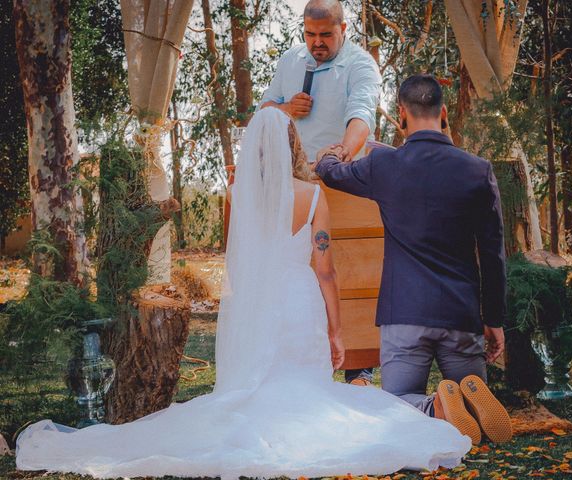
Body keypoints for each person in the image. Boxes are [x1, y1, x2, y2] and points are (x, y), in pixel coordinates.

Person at [16, 108, 471, 479]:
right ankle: (434, 409)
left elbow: (239, 264)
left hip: (258, 304)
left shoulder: (238, 195)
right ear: (292, 146)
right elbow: (325, 271)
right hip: (299, 302)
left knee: (255, 392)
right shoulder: (312, 197)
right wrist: (337, 332)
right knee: (311, 390)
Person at [315, 74, 513, 444]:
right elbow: (493, 253)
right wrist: (494, 319)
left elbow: (331, 174)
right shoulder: (477, 170)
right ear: (443, 113)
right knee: (472, 413)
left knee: (395, 409)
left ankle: (430, 407)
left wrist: (331, 154)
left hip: (404, 316)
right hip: (461, 316)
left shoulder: (384, 166)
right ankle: (462, 401)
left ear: (401, 114)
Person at [261, 0, 381, 385]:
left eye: (326, 35)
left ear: (343, 29)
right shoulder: (290, 61)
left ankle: (359, 367)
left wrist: (342, 153)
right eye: (310, 35)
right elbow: (264, 111)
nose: (317, 43)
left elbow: (362, 114)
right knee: (304, 272)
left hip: (345, 181)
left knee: (345, 269)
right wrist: (284, 106)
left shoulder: (361, 64)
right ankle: (303, 362)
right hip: (297, 183)